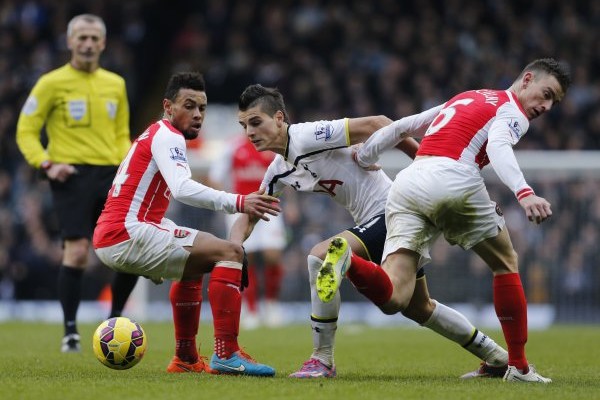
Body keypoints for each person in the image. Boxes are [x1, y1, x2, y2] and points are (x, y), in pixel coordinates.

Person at [230, 84, 509, 379]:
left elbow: (380, 124)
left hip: (393, 210)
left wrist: (427, 165)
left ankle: (321, 360)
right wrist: (232, 250)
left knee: (320, 256)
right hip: (383, 219)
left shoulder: (308, 135)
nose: (249, 132)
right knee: (417, 307)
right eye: (244, 125)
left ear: (278, 118)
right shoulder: (278, 170)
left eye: (255, 122)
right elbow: (251, 214)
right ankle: (496, 357)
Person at [320, 58, 571, 383]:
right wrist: (525, 193)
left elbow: (402, 127)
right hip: (453, 177)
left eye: (554, 102)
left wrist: (366, 154)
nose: (547, 106)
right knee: (505, 261)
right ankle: (519, 367)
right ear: (526, 80)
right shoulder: (513, 110)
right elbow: (498, 145)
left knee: (396, 298)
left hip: (409, 181)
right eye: (546, 93)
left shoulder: (467, 97)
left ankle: (348, 260)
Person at [93, 72, 280, 376]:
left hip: (116, 232)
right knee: (230, 253)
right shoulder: (167, 135)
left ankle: (186, 357)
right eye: (189, 106)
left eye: (202, 109)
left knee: (195, 265)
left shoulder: (155, 134)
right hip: (129, 231)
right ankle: (227, 353)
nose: (197, 115)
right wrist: (239, 201)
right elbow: (182, 188)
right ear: (168, 106)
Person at [15, 14, 139, 353]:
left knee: (127, 251)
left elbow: (120, 135)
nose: (87, 44)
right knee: (78, 252)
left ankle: (115, 322)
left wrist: (130, 169)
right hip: (70, 176)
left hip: (112, 173)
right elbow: (25, 130)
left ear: (102, 43)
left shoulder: (115, 83)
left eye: (93, 38)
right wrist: (45, 163)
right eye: (81, 37)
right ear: (69, 42)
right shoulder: (51, 83)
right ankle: (70, 331)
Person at [208, 136, 287, 329]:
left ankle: (271, 305)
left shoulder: (271, 146)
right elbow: (213, 177)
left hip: (269, 207)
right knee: (245, 257)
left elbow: (287, 177)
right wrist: (229, 201)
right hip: (242, 209)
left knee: (273, 255)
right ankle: (250, 310)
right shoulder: (233, 148)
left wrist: (291, 204)